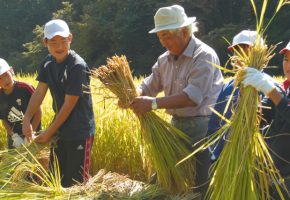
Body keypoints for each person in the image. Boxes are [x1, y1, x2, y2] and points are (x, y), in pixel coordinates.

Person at [129, 5, 224, 198]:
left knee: (201, 185)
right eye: (160, 36)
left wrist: (153, 103)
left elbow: (192, 98)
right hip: (176, 127)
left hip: (204, 129)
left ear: (183, 31)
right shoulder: (164, 60)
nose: (163, 42)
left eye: (166, 35)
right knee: (162, 180)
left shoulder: (204, 56)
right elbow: (148, 86)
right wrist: (132, 95)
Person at [22, 19, 95, 187]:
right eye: (53, 42)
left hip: (80, 131)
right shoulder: (48, 62)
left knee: (76, 183)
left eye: (63, 41)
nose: (59, 47)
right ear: (45, 42)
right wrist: (26, 118)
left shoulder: (77, 66)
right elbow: (40, 91)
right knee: (55, 178)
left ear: (70, 38)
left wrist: (49, 132)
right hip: (60, 130)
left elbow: (69, 104)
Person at [207, 30, 266, 161]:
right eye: (237, 50)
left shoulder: (269, 87)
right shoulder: (229, 88)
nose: (240, 55)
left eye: (247, 49)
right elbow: (214, 126)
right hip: (228, 161)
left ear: (260, 53)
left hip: (260, 163)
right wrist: (216, 155)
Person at [242, 41, 290, 198]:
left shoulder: (277, 93)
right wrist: (248, 95)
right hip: (275, 174)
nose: (288, 65)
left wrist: (270, 91)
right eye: (286, 59)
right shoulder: (284, 89)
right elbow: (258, 118)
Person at [0, 58, 41, 149]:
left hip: (34, 133)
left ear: (11, 71)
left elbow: (38, 112)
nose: (5, 80)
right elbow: (4, 120)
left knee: (36, 161)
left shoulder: (25, 88)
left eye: (6, 75)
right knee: (15, 162)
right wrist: (14, 136)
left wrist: (31, 133)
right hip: (14, 138)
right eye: (0, 78)